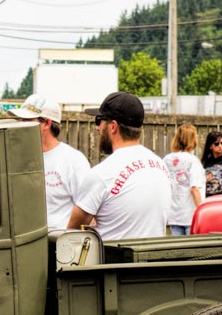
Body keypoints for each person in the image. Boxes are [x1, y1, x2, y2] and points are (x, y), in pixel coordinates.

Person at [67, 91, 170, 239]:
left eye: (99, 120)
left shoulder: (102, 174)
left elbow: (72, 233)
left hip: (115, 261)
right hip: (151, 259)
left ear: (113, 126)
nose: (97, 128)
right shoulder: (161, 166)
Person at [9, 94, 90, 230]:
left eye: (27, 120)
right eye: (20, 120)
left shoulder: (73, 161)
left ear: (46, 123)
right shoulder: (16, 158)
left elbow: (88, 211)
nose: (20, 125)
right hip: (23, 244)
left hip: (57, 244)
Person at [162, 124, 206, 235]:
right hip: (190, 216)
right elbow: (194, 189)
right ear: (193, 140)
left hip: (173, 215)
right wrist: (202, 211)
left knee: (178, 250)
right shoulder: (193, 161)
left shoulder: (166, 160)